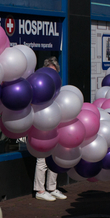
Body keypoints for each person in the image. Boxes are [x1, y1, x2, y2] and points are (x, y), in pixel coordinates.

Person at [34, 57, 66, 201]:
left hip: (54, 126)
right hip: (41, 127)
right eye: (49, 72)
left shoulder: (58, 90)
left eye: (54, 72)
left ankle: (52, 188)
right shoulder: (38, 86)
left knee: (55, 157)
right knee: (41, 159)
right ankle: (40, 191)